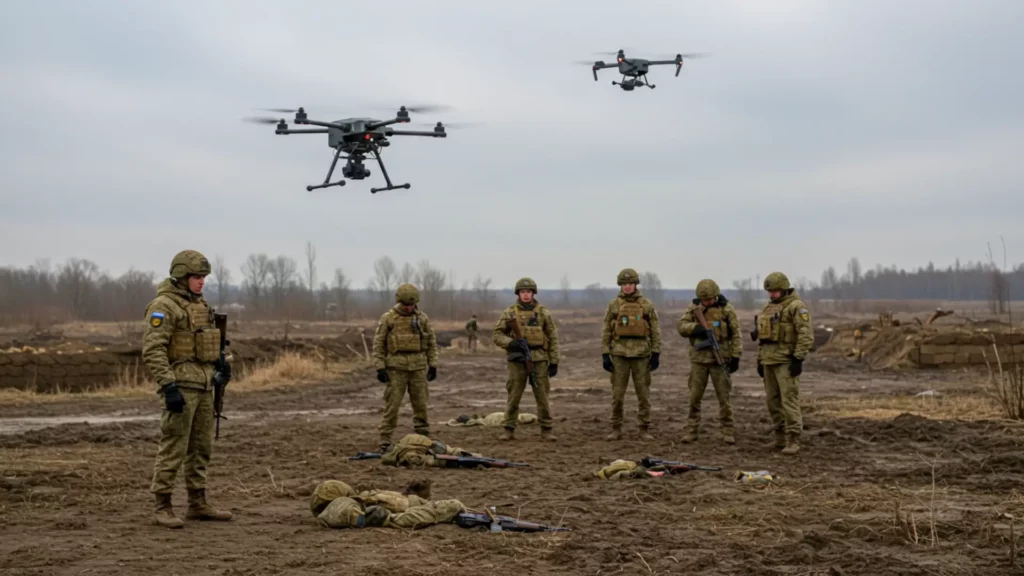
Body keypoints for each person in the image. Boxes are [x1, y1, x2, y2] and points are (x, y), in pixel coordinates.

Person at [142, 249, 233, 529]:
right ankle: (163, 505)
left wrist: (220, 364)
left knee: (201, 447)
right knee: (174, 445)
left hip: (205, 383)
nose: (201, 281)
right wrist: (168, 386)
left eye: (204, 277)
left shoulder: (200, 305)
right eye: (196, 276)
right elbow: (153, 349)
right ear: (181, 276)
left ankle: (197, 502)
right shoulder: (164, 306)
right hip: (181, 385)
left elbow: (207, 342)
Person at [492, 277, 560, 442]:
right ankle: (509, 429)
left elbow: (552, 337)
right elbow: (497, 334)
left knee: (542, 396)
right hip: (517, 360)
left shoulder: (543, 313)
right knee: (514, 395)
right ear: (518, 294)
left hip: (539, 359)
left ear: (533, 293)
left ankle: (546, 429)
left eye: (528, 292)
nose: (526, 295)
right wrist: (512, 343)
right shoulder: (509, 313)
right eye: (523, 292)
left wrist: (554, 361)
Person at [372, 283, 438, 451]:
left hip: (418, 368)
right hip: (396, 368)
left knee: (421, 404)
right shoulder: (388, 318)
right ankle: (385, 439)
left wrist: (433, 364)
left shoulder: (422, 318)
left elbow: (431, 342)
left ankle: (423, 437)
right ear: (399, 301)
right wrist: (380, 367)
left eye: (411, 305)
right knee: (392, 405)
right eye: (405, 305)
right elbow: (378, 344)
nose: (408, 308)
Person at [753, 272, 813, 455]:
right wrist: (760, 360)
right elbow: (763, 338)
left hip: (786, 361)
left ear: (784, 289)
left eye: (775, 291)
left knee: (789, 401)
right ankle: (779, 438)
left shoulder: (796, 307)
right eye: (770, 291)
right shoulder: (768, 309)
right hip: (769, 360)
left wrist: (798, 358)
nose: (772, 294)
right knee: (773, 401)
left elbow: (806, 334)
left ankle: (793, 439)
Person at [677, 279, 742, 444]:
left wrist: (736, 357)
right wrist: (696, 329)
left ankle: (727, 431)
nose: (707, 302)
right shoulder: (693, 309)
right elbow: (682, 327)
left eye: (710, 299)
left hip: (719, 360)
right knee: (694, 397)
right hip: (699, 361)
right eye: (704, 300)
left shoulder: (727, 310)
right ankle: (691, 430)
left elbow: (736, 334)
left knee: (724, 398)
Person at [600, 268, 662, 441]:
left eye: (630, 284)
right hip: (619, 355)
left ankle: (643, 428)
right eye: (624, 284)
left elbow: (655, 330)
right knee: (617, 395)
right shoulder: (614, 305)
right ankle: (616, 428)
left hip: (641, 355)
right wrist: (605, 353)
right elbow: (606, 330)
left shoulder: (646, 305)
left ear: (636, 285)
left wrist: (656, 352)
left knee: (643, 395)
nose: (627, 287)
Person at [310, 479, 466, 530]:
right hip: (391, 516)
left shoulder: (334, 509)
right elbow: (373, 516)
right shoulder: (340, 507)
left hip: (396, 508)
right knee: (453, 506)